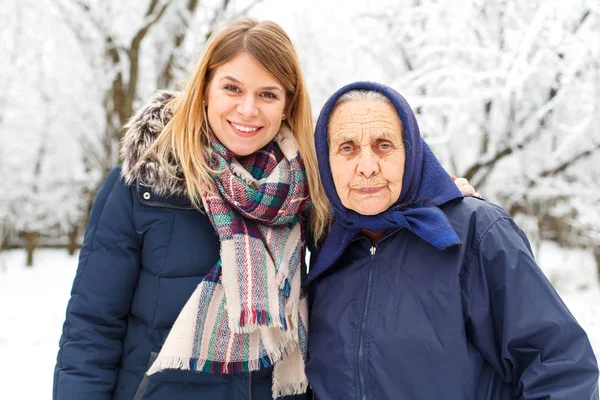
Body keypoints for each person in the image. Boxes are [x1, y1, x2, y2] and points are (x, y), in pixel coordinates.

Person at [53, 18, 477, 399]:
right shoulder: (145, 184)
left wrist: (439, 196)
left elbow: (377, 220)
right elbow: (91, 329)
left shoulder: (313, 191)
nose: (248, 109)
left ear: (287, 104)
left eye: (267, 94)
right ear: (204, 91)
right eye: (232, 88)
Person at [305, 81, 599, 399]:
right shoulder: (325, 242)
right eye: (347, 148)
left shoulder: (476, 230)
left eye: (384, 145)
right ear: (326, 159)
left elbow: (560, 368)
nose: (366, 167)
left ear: (412, 151)